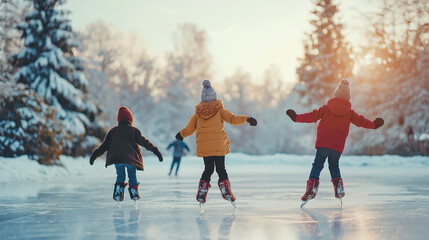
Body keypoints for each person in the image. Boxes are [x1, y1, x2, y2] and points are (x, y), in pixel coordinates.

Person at [286, 79, 384, 203]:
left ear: (335, 94)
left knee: (317, 165)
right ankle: (339, 189)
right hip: (337, 146)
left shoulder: (326, 109)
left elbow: (312, 116)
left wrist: (296, 118)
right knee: (334, 165)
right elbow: (361, 121)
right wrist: (374, 125)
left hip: (323, 143)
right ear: (348, 97)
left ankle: (311, 189)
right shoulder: (350, 113)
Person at [176, 80, 257, 204]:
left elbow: (189, 129)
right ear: (215, 98)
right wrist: (247, 119)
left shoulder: (197, 115)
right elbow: (233, 119)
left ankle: (202, 192)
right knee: (221, 169)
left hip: (205, 148)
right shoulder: (220, 111)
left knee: (208, 169)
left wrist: (181, 134)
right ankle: (226, 192)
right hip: (218, 146)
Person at [90, 106, 163, 201]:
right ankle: (134, 192)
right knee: (132, 176)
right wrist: (156, 152)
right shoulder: (134, 131)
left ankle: (118, 192)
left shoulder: (113, 131)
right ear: (130, 119)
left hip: (117, 159)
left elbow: (104, 146)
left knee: (120, 176)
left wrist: (94, 155)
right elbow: (145, 143)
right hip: (131, 159)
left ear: (119, 120)